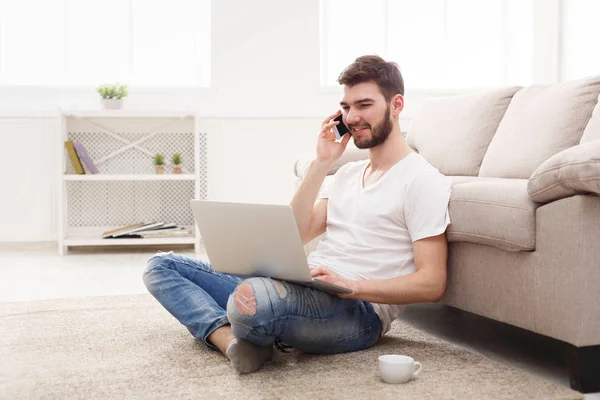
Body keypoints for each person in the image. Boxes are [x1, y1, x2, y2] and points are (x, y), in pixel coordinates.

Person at [142, 55, 451, 374]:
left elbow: (432, 283)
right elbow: (296, 234)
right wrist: (321, 163)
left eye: (364, 105)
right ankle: (231, 340)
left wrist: (351, 285)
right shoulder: (346, 175)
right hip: (304, 286)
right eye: (345, 107)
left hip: (357, 310)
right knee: (161, 266)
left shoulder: (422, 180)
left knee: (253, 299)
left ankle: (251, 323)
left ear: (396, 104)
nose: (353, 117)